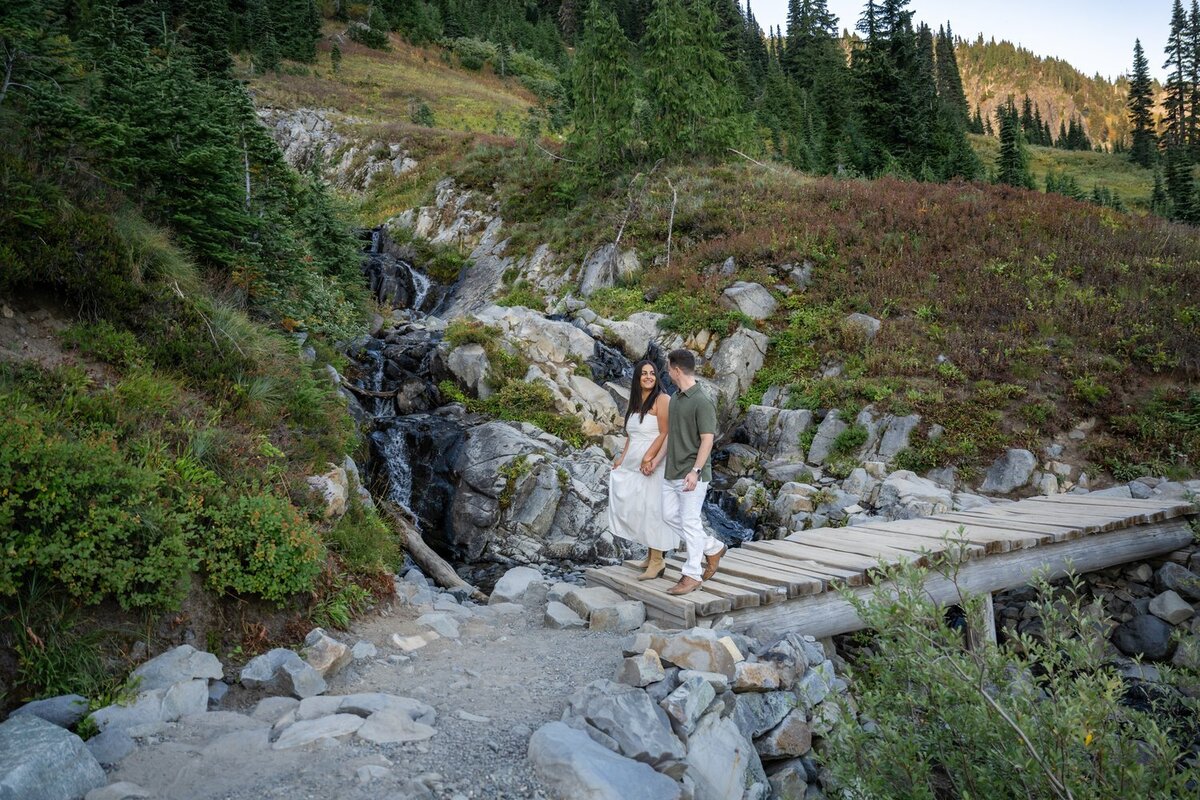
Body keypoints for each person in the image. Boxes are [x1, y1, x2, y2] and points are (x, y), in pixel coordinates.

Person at [662, 348, 725, 596]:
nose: (667, 372)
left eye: (668, 368)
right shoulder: (676, 398)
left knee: (689, 522)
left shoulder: (702, 401)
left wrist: (696, 471)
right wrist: (655, 460)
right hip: (671, 471)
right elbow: (672, 436)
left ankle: (691, 575)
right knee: (668, 516)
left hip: (693, 474)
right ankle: (712, 547)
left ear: (676, 370)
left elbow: (707, 441)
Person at [608, 360, 677, 580]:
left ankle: (658, 561)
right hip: (633, 464)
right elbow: (631, 436)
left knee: (653, 509)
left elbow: (666, 432)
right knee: (640, 507)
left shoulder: (662, 399)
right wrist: (621, 458)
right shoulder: (636, 401)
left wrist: (652, 459)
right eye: (644, 373)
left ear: (657, 377)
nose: (648, 377)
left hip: (653, 464)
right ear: (638, 377)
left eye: (652, 373)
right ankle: (650, 555)